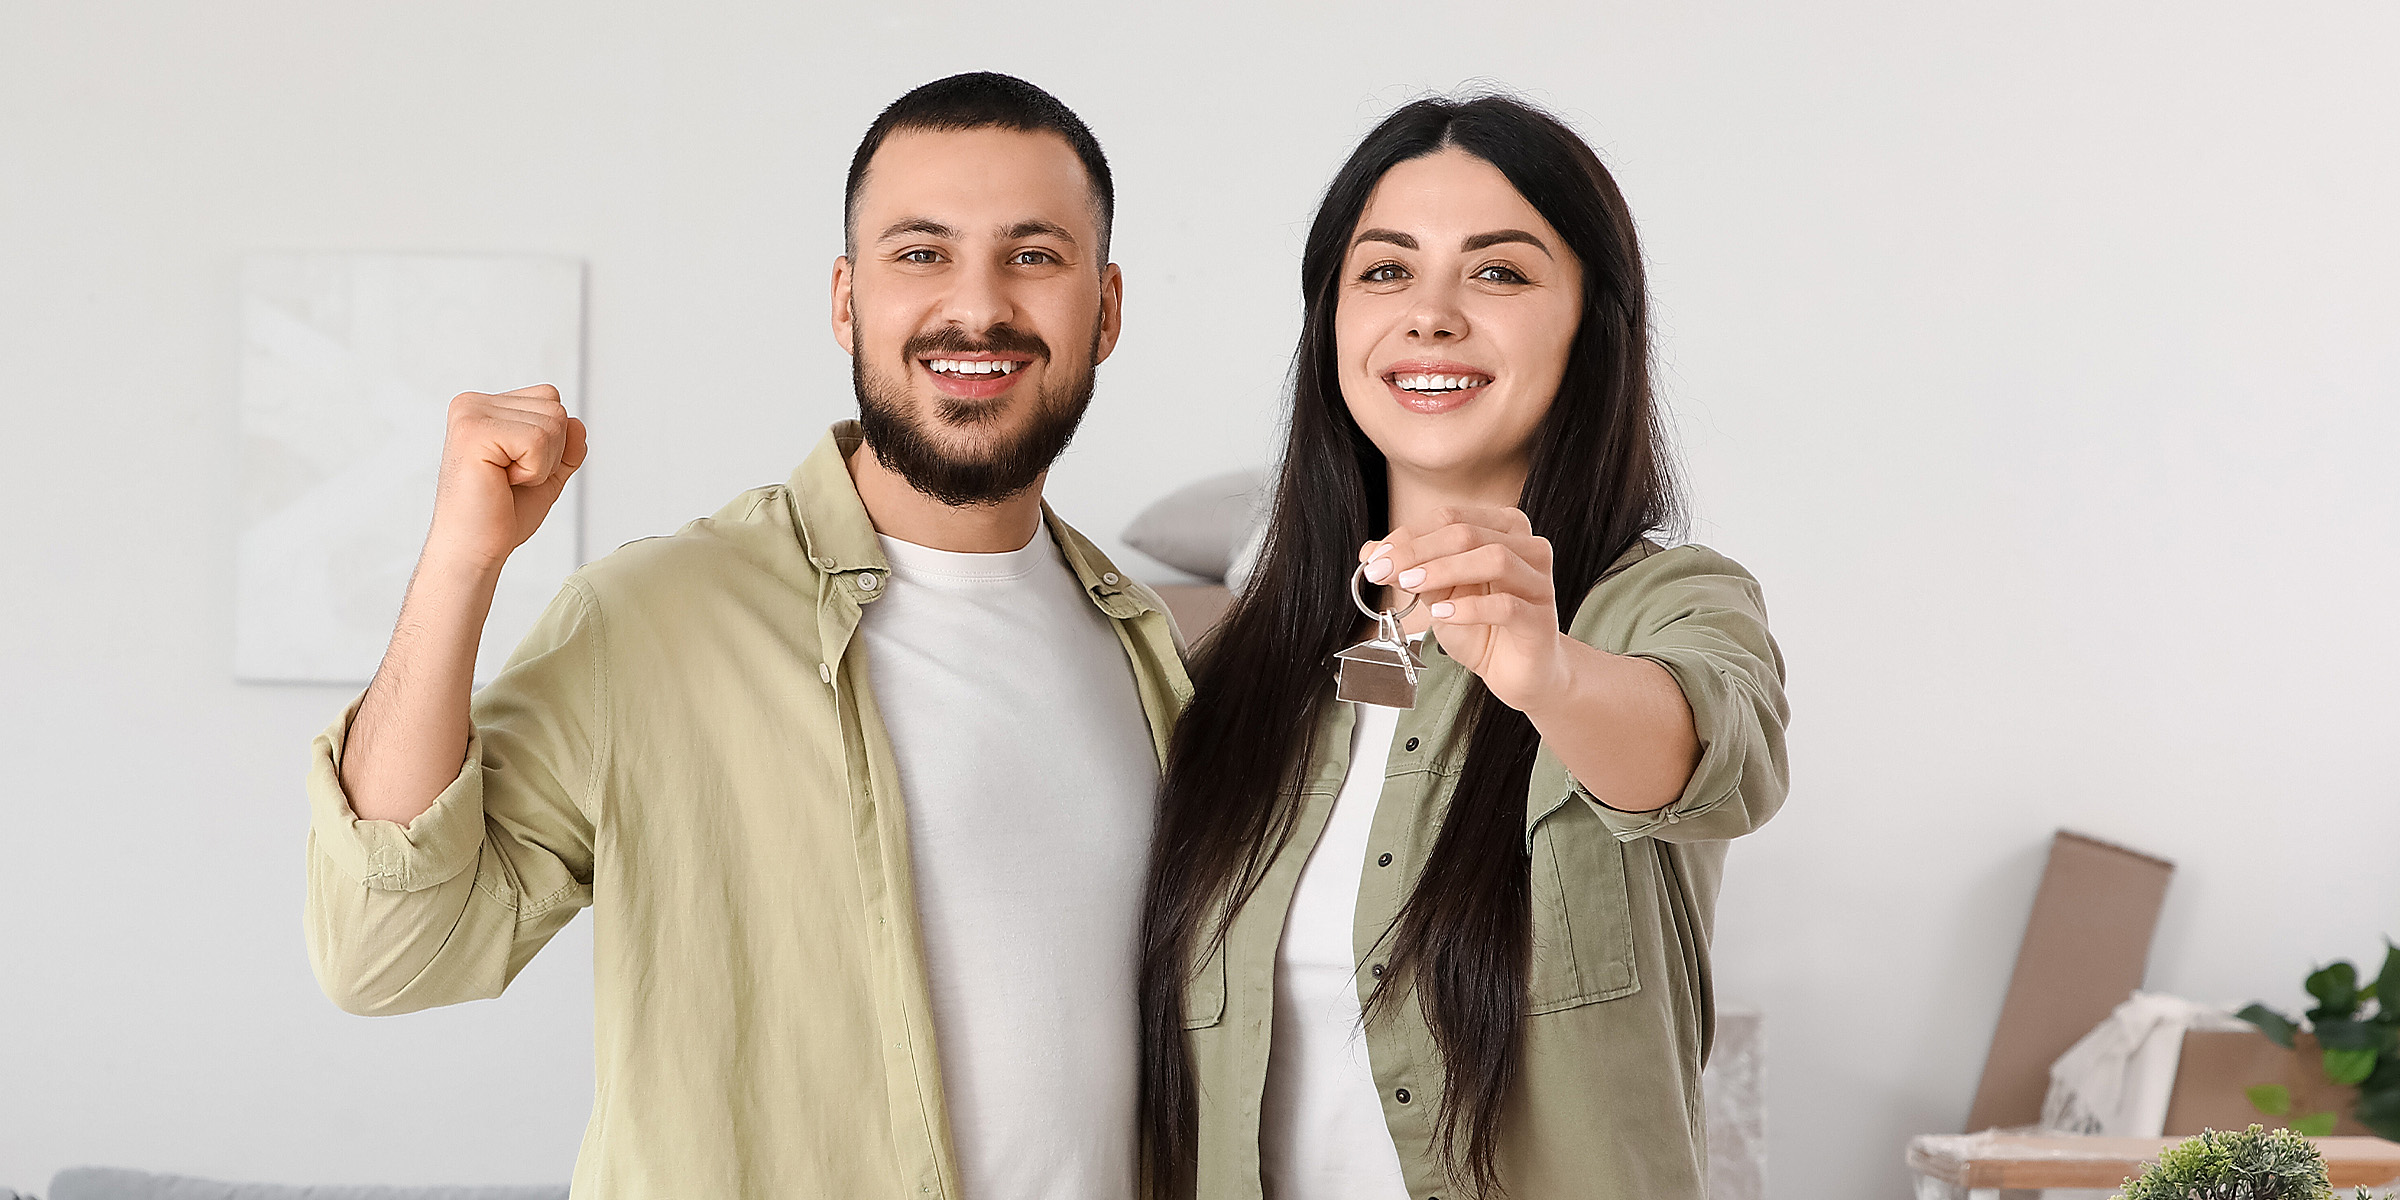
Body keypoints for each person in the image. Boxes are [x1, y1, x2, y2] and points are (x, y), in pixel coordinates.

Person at [304, 72, 1185, 1199]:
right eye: (921, 254)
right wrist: (458, 560)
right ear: (846, 302)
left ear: (1104, 310)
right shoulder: (652, 621)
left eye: (1034, 255)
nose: (977, 306)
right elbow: (384, 956)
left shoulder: (1147, 647)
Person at [1136, 95, 1790, 1200]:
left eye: (1499, 273)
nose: (1431, 316)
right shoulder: (1234, 673)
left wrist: (1550, 673)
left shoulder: (1667, 606)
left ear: (1593, 326)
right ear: (1331, 324)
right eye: (1386, 271)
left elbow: (1707, 752)